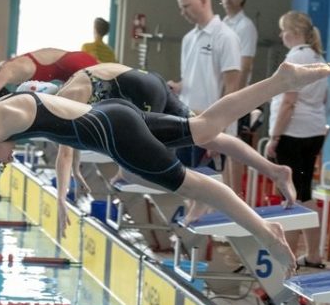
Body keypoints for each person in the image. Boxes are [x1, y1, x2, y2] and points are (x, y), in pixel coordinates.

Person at [0, 61, 330, 277]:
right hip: (116, 116)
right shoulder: (1, 118)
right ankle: (279, 80)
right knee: (205, 125)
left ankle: (265, 232)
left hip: (116, 134)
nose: (5, 165)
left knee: (201, 185)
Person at [52, 63, 297, 208]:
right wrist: (75, 170)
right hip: (152, 85)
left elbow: (64, 151)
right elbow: (71, 141)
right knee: (205, 132)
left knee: (130, 169)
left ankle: (201, 191)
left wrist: (61, 199)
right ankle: (276, 170)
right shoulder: (69, 86)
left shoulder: (66, 99)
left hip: (143, 96)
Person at [264, 11, 329, 268]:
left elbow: (289, 102)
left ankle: (287, 258)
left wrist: (275, 136)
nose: (281, 36)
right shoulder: (317, 56)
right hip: (313, 132)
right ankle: (313, 254)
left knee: (291, 196)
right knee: (304, 193)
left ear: (293, 32)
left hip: (293, 133)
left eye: (283, 30)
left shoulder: (296, 57)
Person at [167, 0, 241, 169]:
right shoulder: (189, 38)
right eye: (180, 8)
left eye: (186, 7)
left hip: (210, 127)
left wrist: (219, 131)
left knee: (207, 186)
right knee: (185, 184)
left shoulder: (226, 37)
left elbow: (232, 88)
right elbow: (191, 79)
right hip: (187, 122)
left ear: (203, 1)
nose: (183, 13)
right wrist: (177, 86)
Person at [219, 0, 259, 196]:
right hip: (221, 93)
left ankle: (237, 197)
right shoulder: (223, 23)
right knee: (221, 148)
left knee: (234, 150)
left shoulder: (246, 27)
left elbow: (245, 65)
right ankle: (226, 197)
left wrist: (233, 98)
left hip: (237, 96)